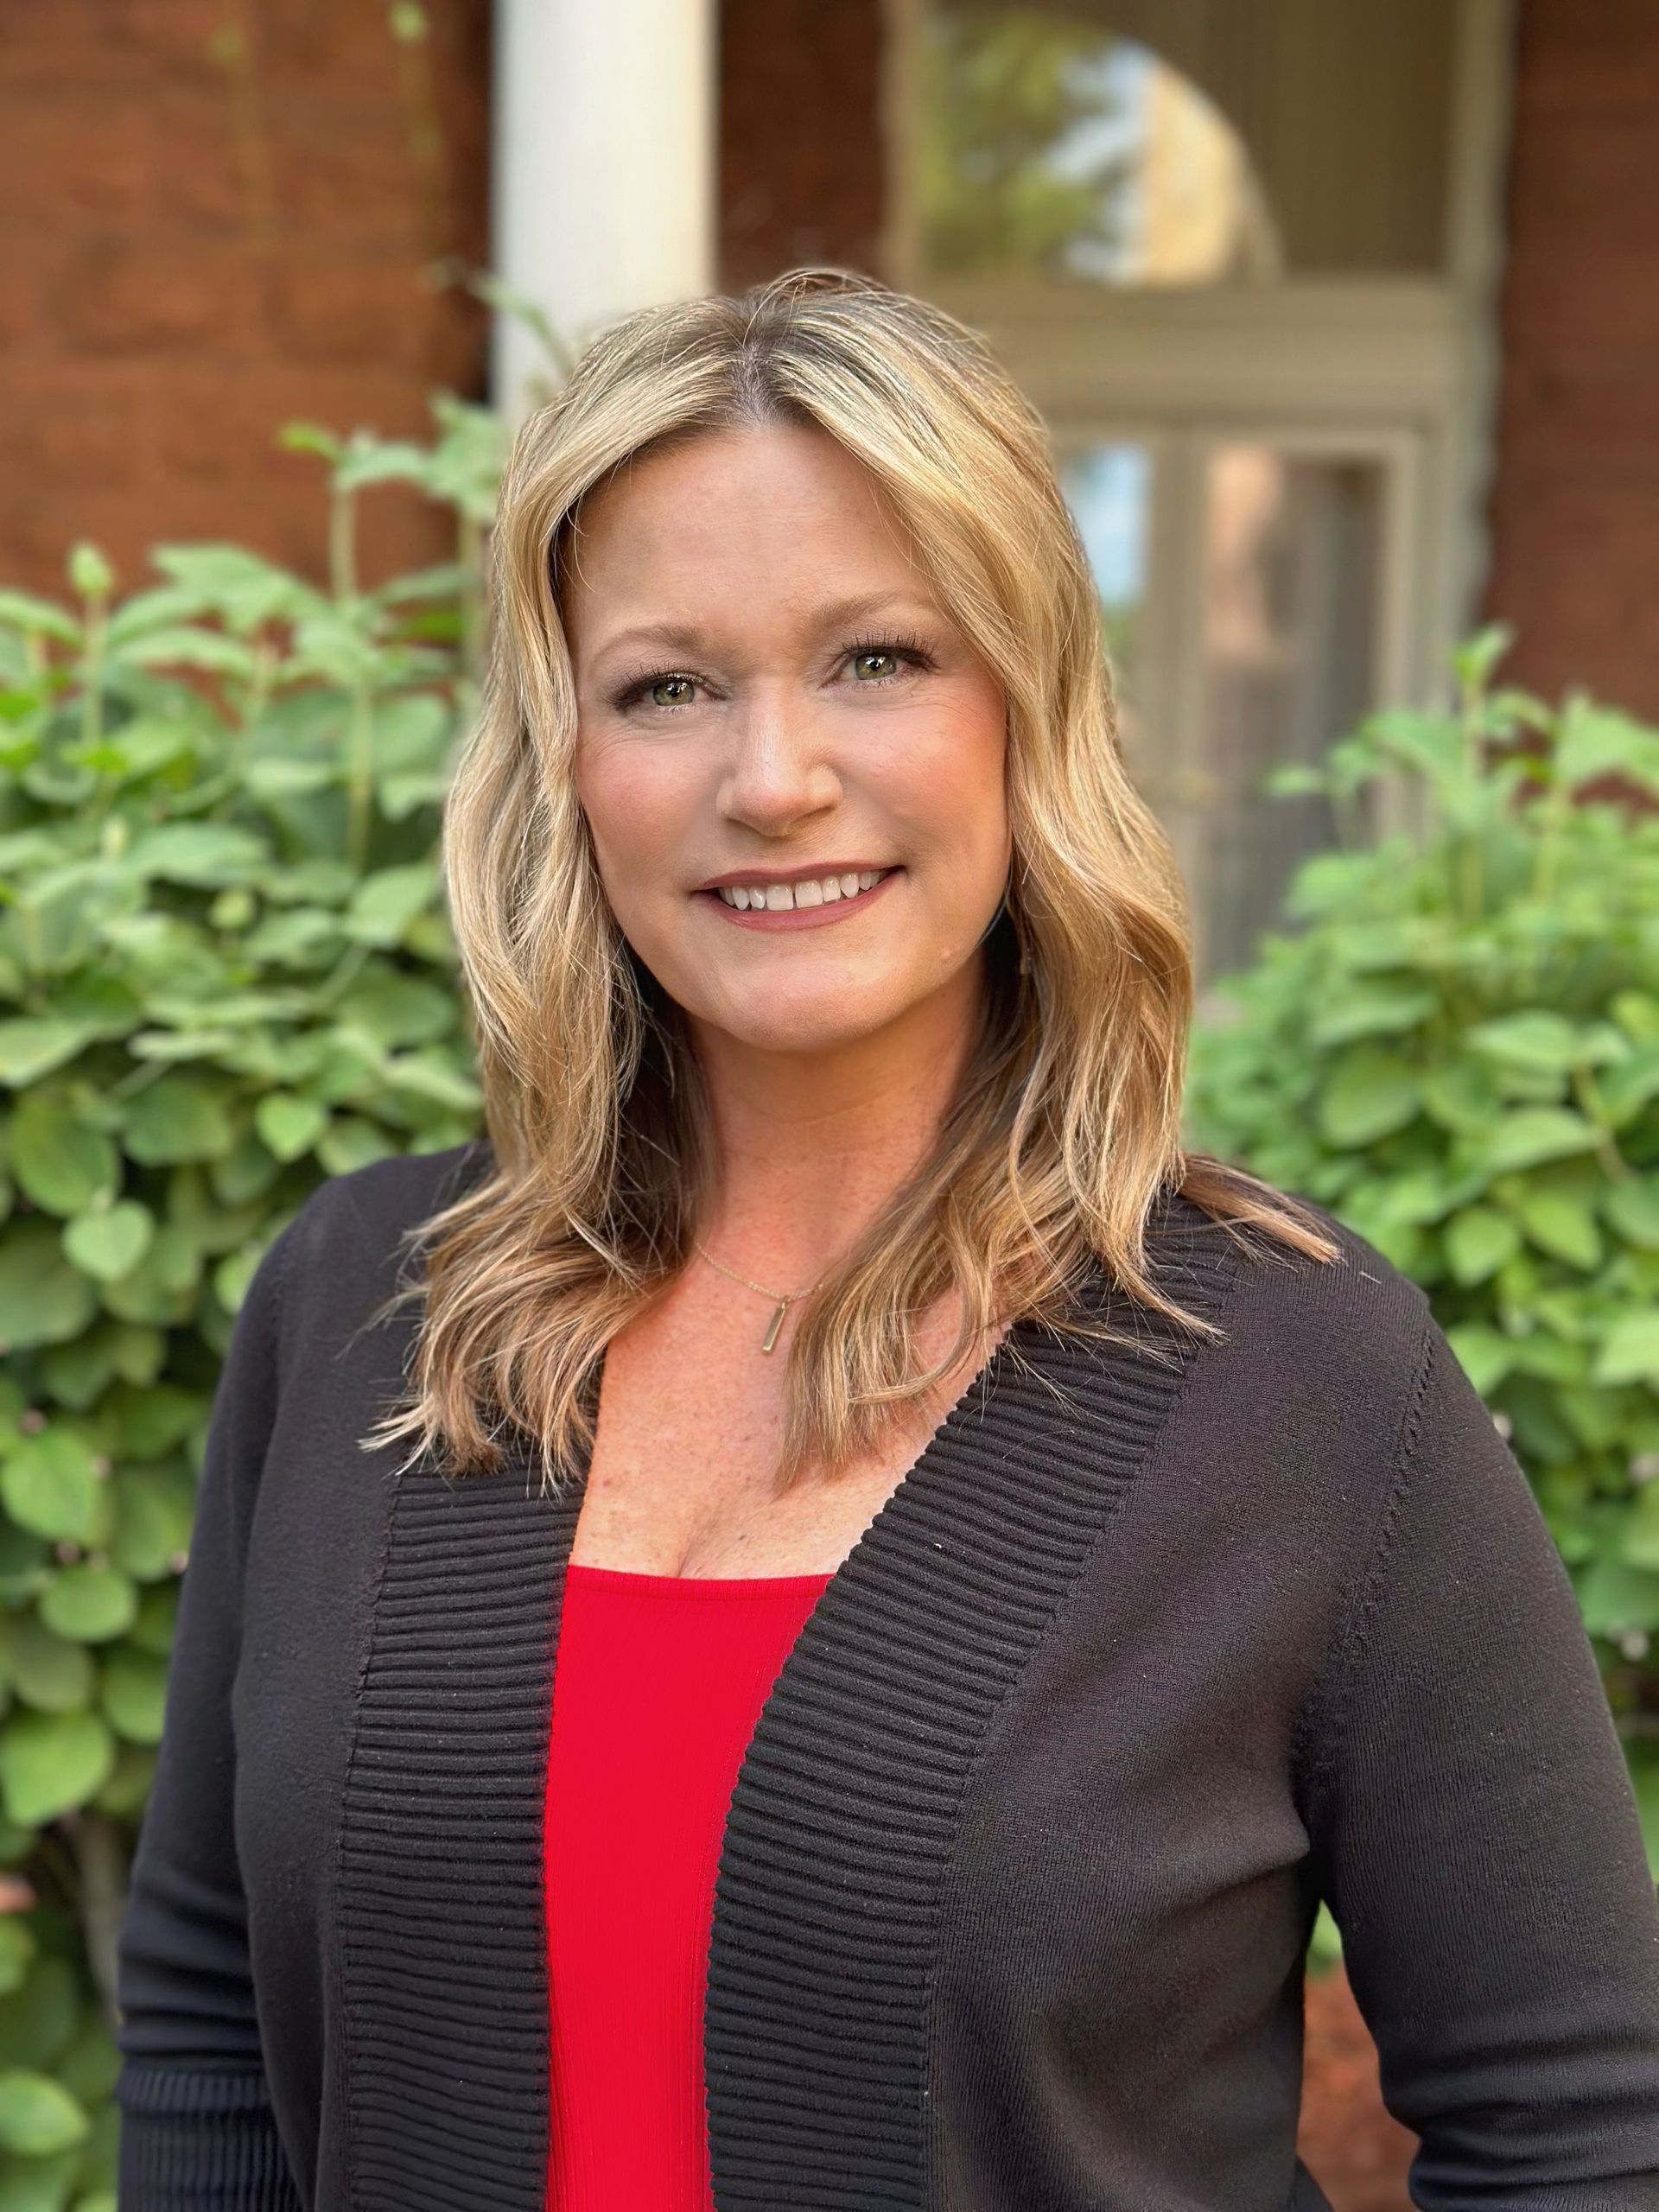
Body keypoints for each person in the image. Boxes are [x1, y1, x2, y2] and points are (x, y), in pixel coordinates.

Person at [112, 268, 1659, 2212]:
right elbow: (207, 2029)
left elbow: (1585, 2128)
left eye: (878, 657)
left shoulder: (1307, 1389)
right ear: (565, 761)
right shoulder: (363, 1310)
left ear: (1029, 708)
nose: (772, 778)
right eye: (667, 683)